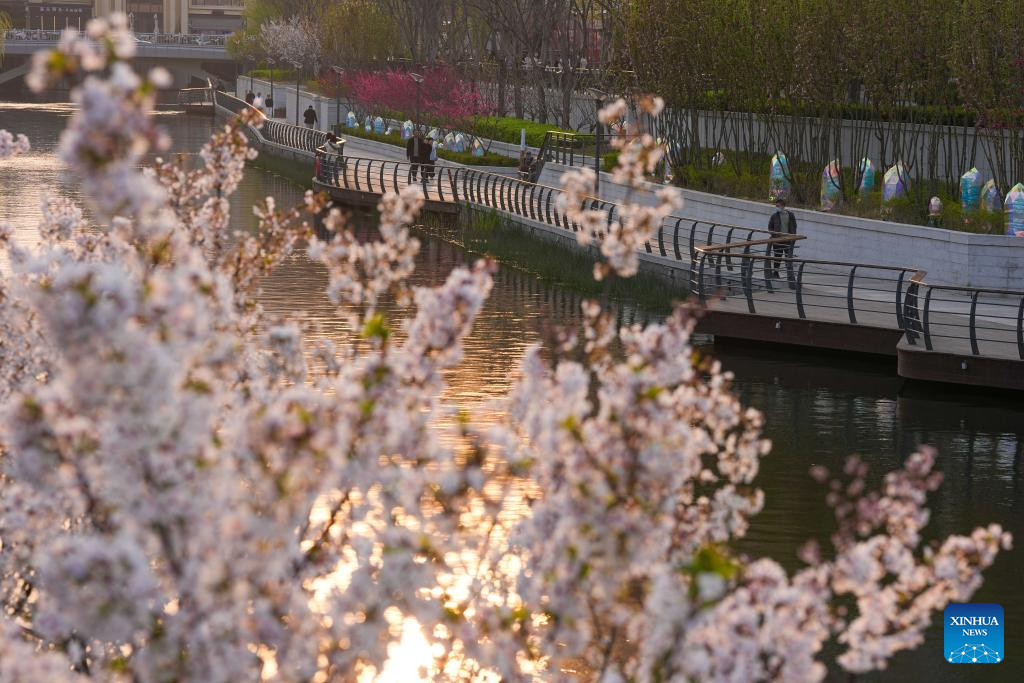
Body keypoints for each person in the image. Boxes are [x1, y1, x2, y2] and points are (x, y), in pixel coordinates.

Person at [768, 197, 797, 283]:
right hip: (778, 240)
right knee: (777, 257)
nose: (776, 207)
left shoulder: (790, 215)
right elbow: (770, 227)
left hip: (788, 240)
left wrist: (793, 236)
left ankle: (790, 275)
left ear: (783, 206)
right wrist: (774, 235)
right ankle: (775, 273)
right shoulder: (774, 216)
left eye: (778, 205)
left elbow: (794, 226)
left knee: (788, 257)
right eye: (776, 206)